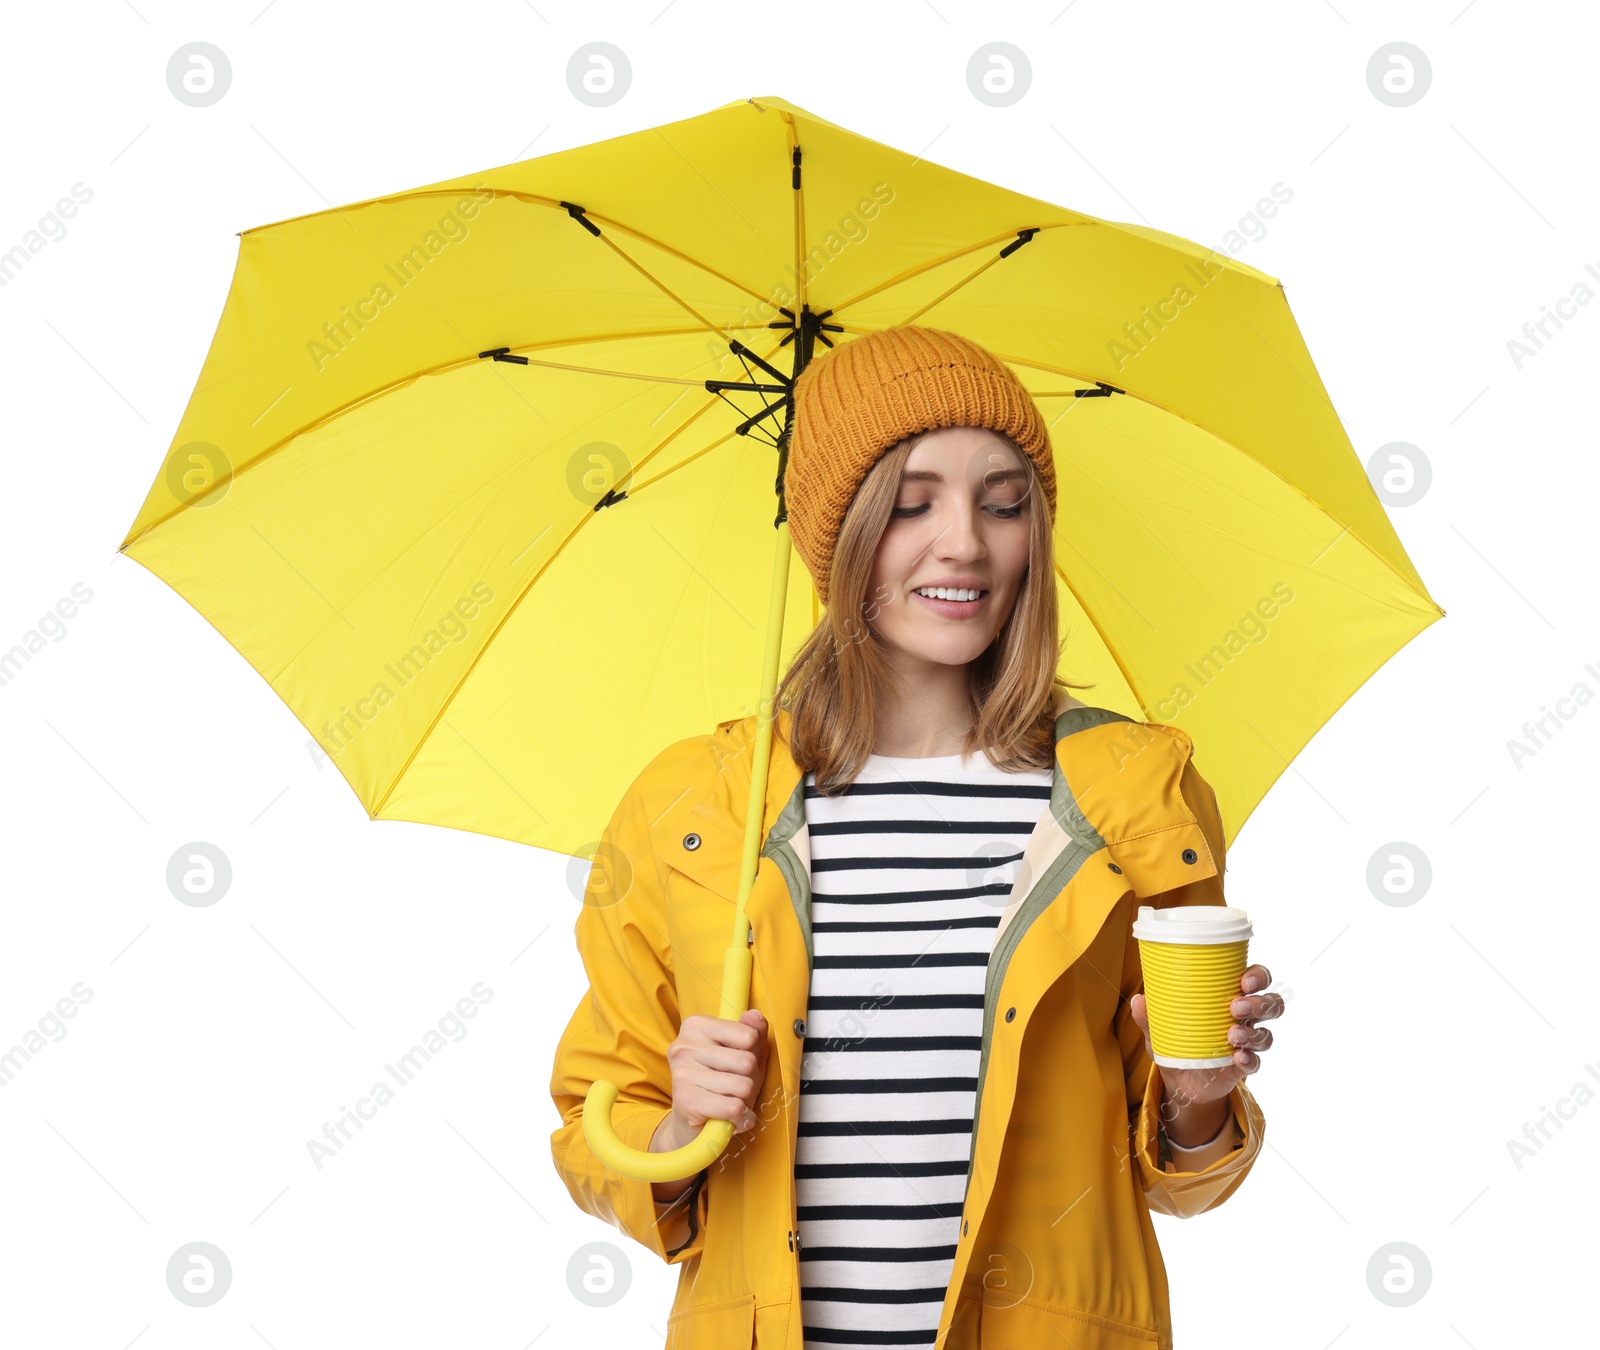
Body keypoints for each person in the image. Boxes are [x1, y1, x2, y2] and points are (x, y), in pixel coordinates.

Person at [549, 325, 1284, 1350]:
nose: (964, 544)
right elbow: (594, 1125)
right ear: (831, 534)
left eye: (1003, 502)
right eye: (910, 503)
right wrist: (678, 1128)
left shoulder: (1134, 794)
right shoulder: (695, 806)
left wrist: (1197, 1101)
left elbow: (1183, 1179)